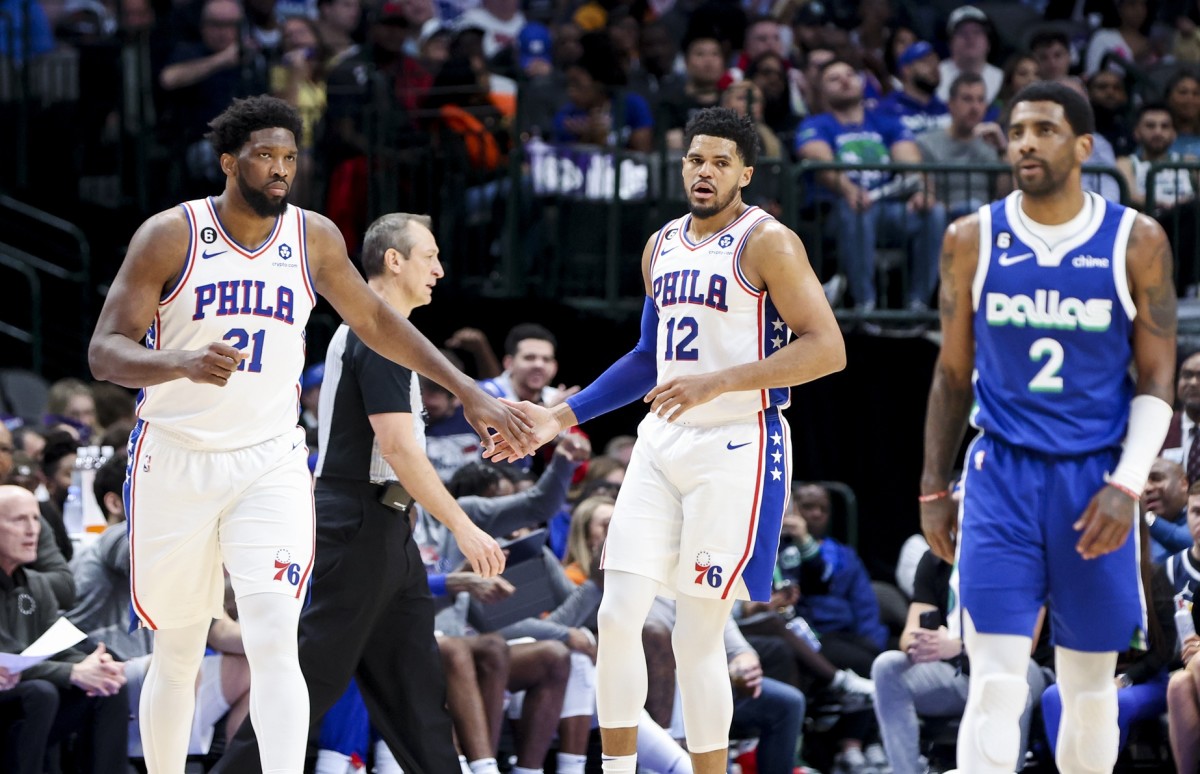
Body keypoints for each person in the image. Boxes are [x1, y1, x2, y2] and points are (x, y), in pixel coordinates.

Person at [88, 96, 533, 774]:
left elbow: (378, 322)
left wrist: (470, 391)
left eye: (289, 157)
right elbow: (104, 352)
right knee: (178, 649)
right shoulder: (170, 235)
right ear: (229, 160)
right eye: (265, 155)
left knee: (273, 637)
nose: (279, 170)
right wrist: (176, 361)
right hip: (175, 457)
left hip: (269, 463)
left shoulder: (313, 237)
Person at [489, 106, 846, 774]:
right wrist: (559, 417)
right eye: (695, 159)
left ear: (745, 171)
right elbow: (647, 358)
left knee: (696, 633)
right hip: (663, 439)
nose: (704, 172)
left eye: (719, 162)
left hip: (739, 442)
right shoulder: (662, 245)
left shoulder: (769, 241)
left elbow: (828, 348)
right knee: (620, 614)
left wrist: (719, 382)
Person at [210, 211, 530, 774]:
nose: (440, 269)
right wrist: (464, 525)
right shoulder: (375, 333)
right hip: (357, 520)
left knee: (416, 694)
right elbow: (400, 450)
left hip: (384, 528)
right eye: (429, 256)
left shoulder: (388, 333)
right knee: (308, 684)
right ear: (393, 260)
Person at [920, 81, 1177, 774]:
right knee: (996, 679)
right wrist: (931, 488)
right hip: (1000, 475)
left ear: (1084, 146)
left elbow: (1157, 381)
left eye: (1044, 129)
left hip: (1096, 480)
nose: (1025, 142)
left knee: (1089, 687)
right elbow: (950, 376)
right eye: (1016, 130)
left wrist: (1128, 484)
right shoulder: (968, 239)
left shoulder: (1137, 240)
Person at [0, 485, 128, 774]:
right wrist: (71, 672)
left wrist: (91, 665)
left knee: (105, 686)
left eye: (35, 519)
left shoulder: (36, 584)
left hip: (23, 688)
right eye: (18, 520)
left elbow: (50, 646)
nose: (32, 530)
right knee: (40, 692)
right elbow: (7, 658)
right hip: (16, 692)